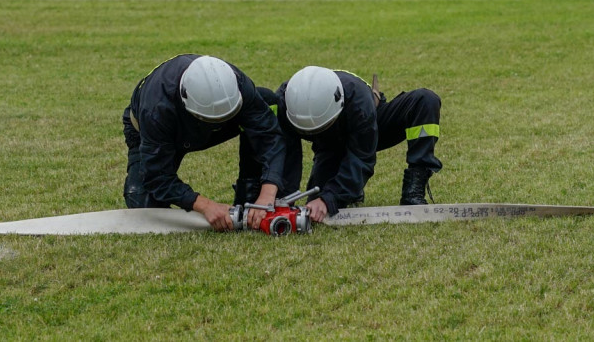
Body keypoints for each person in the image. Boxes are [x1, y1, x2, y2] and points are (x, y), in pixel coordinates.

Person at [122, 54, 287, 231]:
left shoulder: (235, 82)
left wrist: (267, 194)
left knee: (266, 102)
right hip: (156, 133)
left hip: (203, 124)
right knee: (143, 204)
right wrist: (205, 206)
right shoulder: (156, 110)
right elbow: (156, 176)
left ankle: (250, 191)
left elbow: (268, 135)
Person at [267, 66, 442, 223]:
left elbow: (362, 158)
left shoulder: (359, 103)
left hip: (368, 125)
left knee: (425, 100)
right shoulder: (285, 101)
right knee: (318, 199)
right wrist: (280, 199)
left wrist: (330, 198)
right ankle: (351, 191)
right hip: (329, 146)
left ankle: (414, 189)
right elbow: (285, 153)